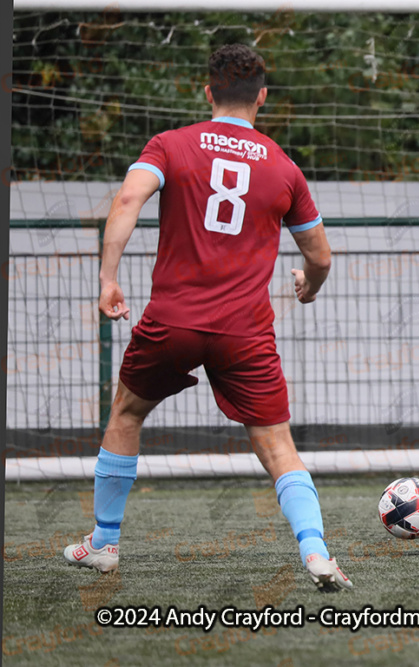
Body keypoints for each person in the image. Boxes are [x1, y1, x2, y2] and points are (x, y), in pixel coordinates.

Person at [63, 44, 351, 591]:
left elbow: (127, 201)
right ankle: (316, 553)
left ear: (207, 91)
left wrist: (107, 279)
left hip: (172, 319)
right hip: (244, 330)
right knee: (277, 444)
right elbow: (320, 256)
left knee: (126, 413)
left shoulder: (169, 145)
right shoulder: (284, 167)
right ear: (262, 96)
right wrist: (307, 288)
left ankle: (103, 544)